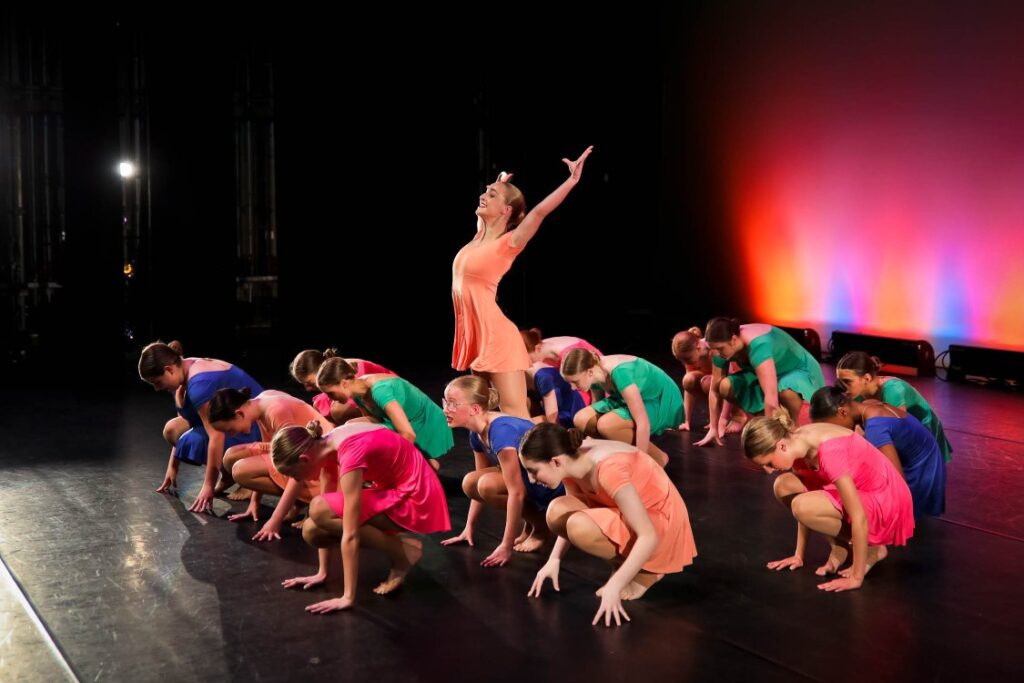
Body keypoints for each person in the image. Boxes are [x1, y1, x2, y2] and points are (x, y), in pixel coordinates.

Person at [452, 147, 593, 417]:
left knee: (514, 415)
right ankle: (492, 461)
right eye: (485, 191)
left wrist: (571, 181)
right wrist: (500, 184)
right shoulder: (480, 235)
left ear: (505, 210)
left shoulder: (509, 243)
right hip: (476, 335)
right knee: (481, 414)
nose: (483, 195)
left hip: (496, 337)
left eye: (491, 195)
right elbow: (496, 206)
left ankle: (536, 452)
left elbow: (539, 212)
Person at [520, 423, 696, 626]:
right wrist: (554, 559)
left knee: (579, 526)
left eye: (534, 471)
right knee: (556, 512)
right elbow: (573, 509)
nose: (532, 480)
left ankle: (649, 573)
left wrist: (615, 585)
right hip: (625, 510)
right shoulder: (570, 462)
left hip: (660, 522)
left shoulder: (609, 469)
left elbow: (649, 535)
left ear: (555, 462)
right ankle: (625, 566)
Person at [272, 422, 450, 613]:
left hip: (417, 498)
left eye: (293, 474)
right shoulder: (324, 447)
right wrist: (322, 573)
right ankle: (401, 550)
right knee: (312, 531)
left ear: (304, 459)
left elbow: (350, 533)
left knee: (318, 509)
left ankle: (402, 553)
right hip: (393, 491)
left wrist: (347, 597)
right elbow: (325, 501)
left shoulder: (349, 453)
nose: (297, 480)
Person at [741, 411, 915, 592]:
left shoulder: (830, 453)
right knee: (783, 485)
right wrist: (798, 555)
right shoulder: (796, 444)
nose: (769, 471)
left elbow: (858, 517)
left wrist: (856, 577)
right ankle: (839, 546)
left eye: (769, 463)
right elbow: (807, 495)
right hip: (858, 490)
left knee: (802, 506)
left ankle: (873, 548)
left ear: (781, 446)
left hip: (886, 498)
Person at [440, 376, 563, 564]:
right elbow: (477, 485)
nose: (446, 409)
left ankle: (541, 526)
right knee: (471, 483)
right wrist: (469, 528)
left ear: (475, 409)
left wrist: (506, 546)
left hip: (548, 484)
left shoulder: (501, 431)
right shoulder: (476, 431)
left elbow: (517, 492)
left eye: (453, 404)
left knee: (487, 485)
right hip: (527, 480)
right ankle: (533, 524)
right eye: (445, 402)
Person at [138, 341, 263, 512]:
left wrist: (208, 486)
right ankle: (228, 476)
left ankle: (247, 480)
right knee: (173, 429)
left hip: (251, 427)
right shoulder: (182, 371)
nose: (157, 388)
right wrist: (172, 468)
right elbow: (186, 422)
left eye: (157, 382)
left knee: (197, 439)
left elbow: (216, 435)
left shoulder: (199, 385)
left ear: (169, 369)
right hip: (230, 423)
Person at [208, 387, 335, 536]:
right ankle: (298, 501)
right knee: (231, 456)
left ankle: (305, 500)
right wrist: (254, 502)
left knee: (240, 470)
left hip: (321, 472)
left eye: (230, 429)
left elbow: (298, 465)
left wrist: (275, 520)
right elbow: (272, 447)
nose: (233, 434)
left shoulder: (276, 411)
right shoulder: (261, 403)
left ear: (239, 414)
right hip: (305, 461)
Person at [809, 386, 946, 517]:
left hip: (920, 474)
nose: (830, 431)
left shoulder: (876, 428)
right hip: (929, 459)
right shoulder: (868, 405)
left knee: (849, 500)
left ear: (842, 412)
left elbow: (898, 482)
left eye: (829, 425)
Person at [696, 318, 824, 447]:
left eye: (720, 348)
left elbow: (771, 396)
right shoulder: (721, 348)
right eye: (713, 349)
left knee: (785, 391)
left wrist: (769, 444)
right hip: (763, 373)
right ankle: (775, 425)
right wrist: (713, 428)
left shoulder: (759, 345)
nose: (716, 353)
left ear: (734, 340)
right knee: (724, 386)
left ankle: (793, 429)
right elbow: (714, 390)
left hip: (795, 369)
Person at [316, 357, 453, 467]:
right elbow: (372, 422)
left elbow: (408, 434)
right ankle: (425, 463)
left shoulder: (380, 391)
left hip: (425, 425)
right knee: (352, 426)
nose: (329, 399)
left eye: (330, 393)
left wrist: (390, 467)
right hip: (407, 423)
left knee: (357, 431)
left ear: (344, 383)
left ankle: (422, 462)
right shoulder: (358, 392)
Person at [561, 349, 682, 467]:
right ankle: (619, 454)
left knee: (606, 425)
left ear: (589, 372)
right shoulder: (594, 372)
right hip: (624, 397)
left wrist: (640, 461)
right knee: (581, 419)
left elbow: (642, 422)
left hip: (657, 399)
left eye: (575, 382)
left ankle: (658, 457)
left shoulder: (620, 373)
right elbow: (596, 407)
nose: (572, 388)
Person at [835, 351, 953, 462]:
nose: (841, 387)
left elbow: (898, 433)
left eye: (847, 381)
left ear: (867, 378)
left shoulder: (893, 390)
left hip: (924, 430)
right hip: (906, 434)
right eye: (840, 381)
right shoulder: (857, 393)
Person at [289, 348, 393, 424]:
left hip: (391, 402)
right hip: (370, 406)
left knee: (338, 410)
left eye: (310, 383)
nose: (307, 389)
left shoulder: (351, 369)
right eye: (304, 385)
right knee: (319, 406)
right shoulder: (333, 375)